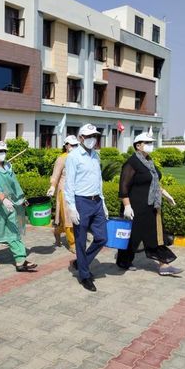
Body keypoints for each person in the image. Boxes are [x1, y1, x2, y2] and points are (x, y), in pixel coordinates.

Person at [117, 133, 182, 276]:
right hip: (136, 207)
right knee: (133, 237)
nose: (150, 145)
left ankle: (164, 265)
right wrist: (127, 206)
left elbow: (153, 183)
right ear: (138, 145)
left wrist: (165, 194)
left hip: (151, 206)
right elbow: (123, 188)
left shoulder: (149, 161)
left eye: (151, 142)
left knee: (154, 236)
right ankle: (123, 261)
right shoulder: (131, 163)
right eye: (147, 142)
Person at [0, 141, 37, 272]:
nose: (2, 154)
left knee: (13, 230)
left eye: (4, 151)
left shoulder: (8, 166)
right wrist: (2, 199)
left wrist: (22, 198)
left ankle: (20, 260)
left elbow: (15, 184)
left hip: (10, 205)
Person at [64, 124, 109, 292]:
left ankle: (81, 262)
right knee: (81, 241)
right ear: (81, 137)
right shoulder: (73, 157)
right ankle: (84, 275)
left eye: (95, 136)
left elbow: (99, 181)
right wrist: (72, 207)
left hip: (96, 201)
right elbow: (69, 185)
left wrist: (103, 202)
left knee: (102, 238)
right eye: (89, 136)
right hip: (81, 202)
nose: (93, 139)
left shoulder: (95, 156)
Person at [47, 135, 79, 253]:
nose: (74, 147)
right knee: (68, 217)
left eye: (76, 145)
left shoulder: (79, 157)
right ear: (66, 146)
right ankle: (72, 243)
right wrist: (52, 186)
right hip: (64, 190)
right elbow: (56, 174)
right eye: (72, 145)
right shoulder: (62, 158)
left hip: (77, 190)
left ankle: (57, 231)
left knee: (74, 217)